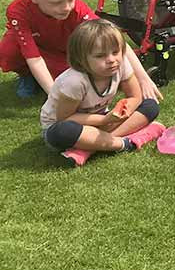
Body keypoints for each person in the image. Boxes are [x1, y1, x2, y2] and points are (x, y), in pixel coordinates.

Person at [2, 0, 161, 102]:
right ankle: (26, 75)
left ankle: (48, 75)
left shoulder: (77, 9)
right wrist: (55, 98)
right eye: (56, 3)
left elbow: (112, 39)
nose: (66, 8)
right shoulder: (18, 10)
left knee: (75, 78)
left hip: (63, 49)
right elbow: (34, 58)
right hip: (38, 48)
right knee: (8, 50)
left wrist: (143, 77)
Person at [39, 19, 164, 167]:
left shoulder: (121, 63)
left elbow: (135, 96)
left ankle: (92, 147)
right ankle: (123, 143)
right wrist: (105, 121)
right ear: (81, 58)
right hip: (67, 127)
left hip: (102, 120)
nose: (111, 60)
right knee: (63, 131)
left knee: (150, 105)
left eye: (116, 52)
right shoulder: (74, 81)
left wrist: (126, 109)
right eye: (100, 56)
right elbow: (65, 118)